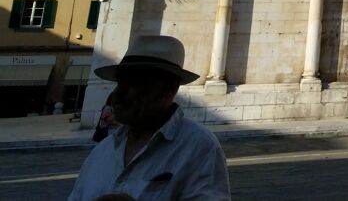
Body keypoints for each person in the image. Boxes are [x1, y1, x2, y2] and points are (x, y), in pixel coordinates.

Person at [68, 35, 230, 201]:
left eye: (134, 83)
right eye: (119, 82)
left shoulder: (199, 147)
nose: (117, 93)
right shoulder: (101, 152)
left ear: (169, 89)